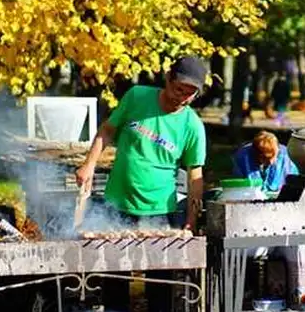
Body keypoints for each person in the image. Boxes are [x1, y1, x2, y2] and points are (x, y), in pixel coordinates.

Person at [75, 56, 209, 310]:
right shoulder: (137, 96)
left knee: (160, 286)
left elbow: (195, 174)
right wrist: (89, 164)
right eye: (179, 89)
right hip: (118, 202)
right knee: (114, 278)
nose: (181, 97)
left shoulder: (193, 125)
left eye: (190, 94)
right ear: (168, 79)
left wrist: (192, 216)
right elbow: (107, 130)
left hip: (160, 210)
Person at [231, 131, 299, 192]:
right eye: (266, 158)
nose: (271, 162)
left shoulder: (286, 156)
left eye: (274, 157)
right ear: (256, 154)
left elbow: (293, 183)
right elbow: (238, 187)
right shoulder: (242, 158)